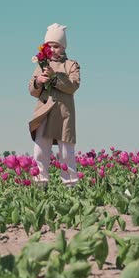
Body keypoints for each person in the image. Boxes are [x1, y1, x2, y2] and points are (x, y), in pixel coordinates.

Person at [28, 23, 81, 187]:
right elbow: (31, 89)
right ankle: (40, 182)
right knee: (40, 150)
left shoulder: (71, 65)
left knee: (66, 153)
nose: (53, 49)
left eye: (56, 46)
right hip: (44, 112)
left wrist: (54, 78)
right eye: (49, 46)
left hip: (64, 114)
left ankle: (70, 184)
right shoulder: (41, 64)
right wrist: (39, 81)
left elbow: (73, 86)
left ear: (63, 47)